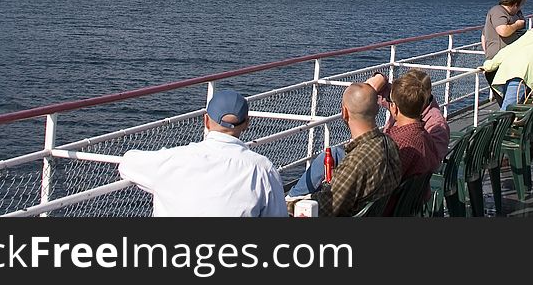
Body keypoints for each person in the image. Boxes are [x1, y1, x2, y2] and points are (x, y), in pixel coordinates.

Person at [117, 89, 287, 217]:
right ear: (247, 124)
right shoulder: (262, 169)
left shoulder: (172, 160)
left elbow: (127, 163)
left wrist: (163, 155)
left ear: (206, 120)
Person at [310, 83, 402, 216]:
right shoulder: (389, 143)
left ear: (345, 112)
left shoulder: (356, 162)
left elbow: (325, 208)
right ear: (376, 109)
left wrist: (290, 205)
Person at [367, 68, 450, 169]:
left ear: (395, 108)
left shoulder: (436, 123)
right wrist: (381, 78)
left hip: (405, 175)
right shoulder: (405, 103)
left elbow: (433, 161)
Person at [481, 0, 528, 88]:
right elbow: (502, 31)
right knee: (507, 94)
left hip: (512, 59)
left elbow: (484, 35)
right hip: (501, 61)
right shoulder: (498, 11)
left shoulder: (516, 13)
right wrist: (517, 25)